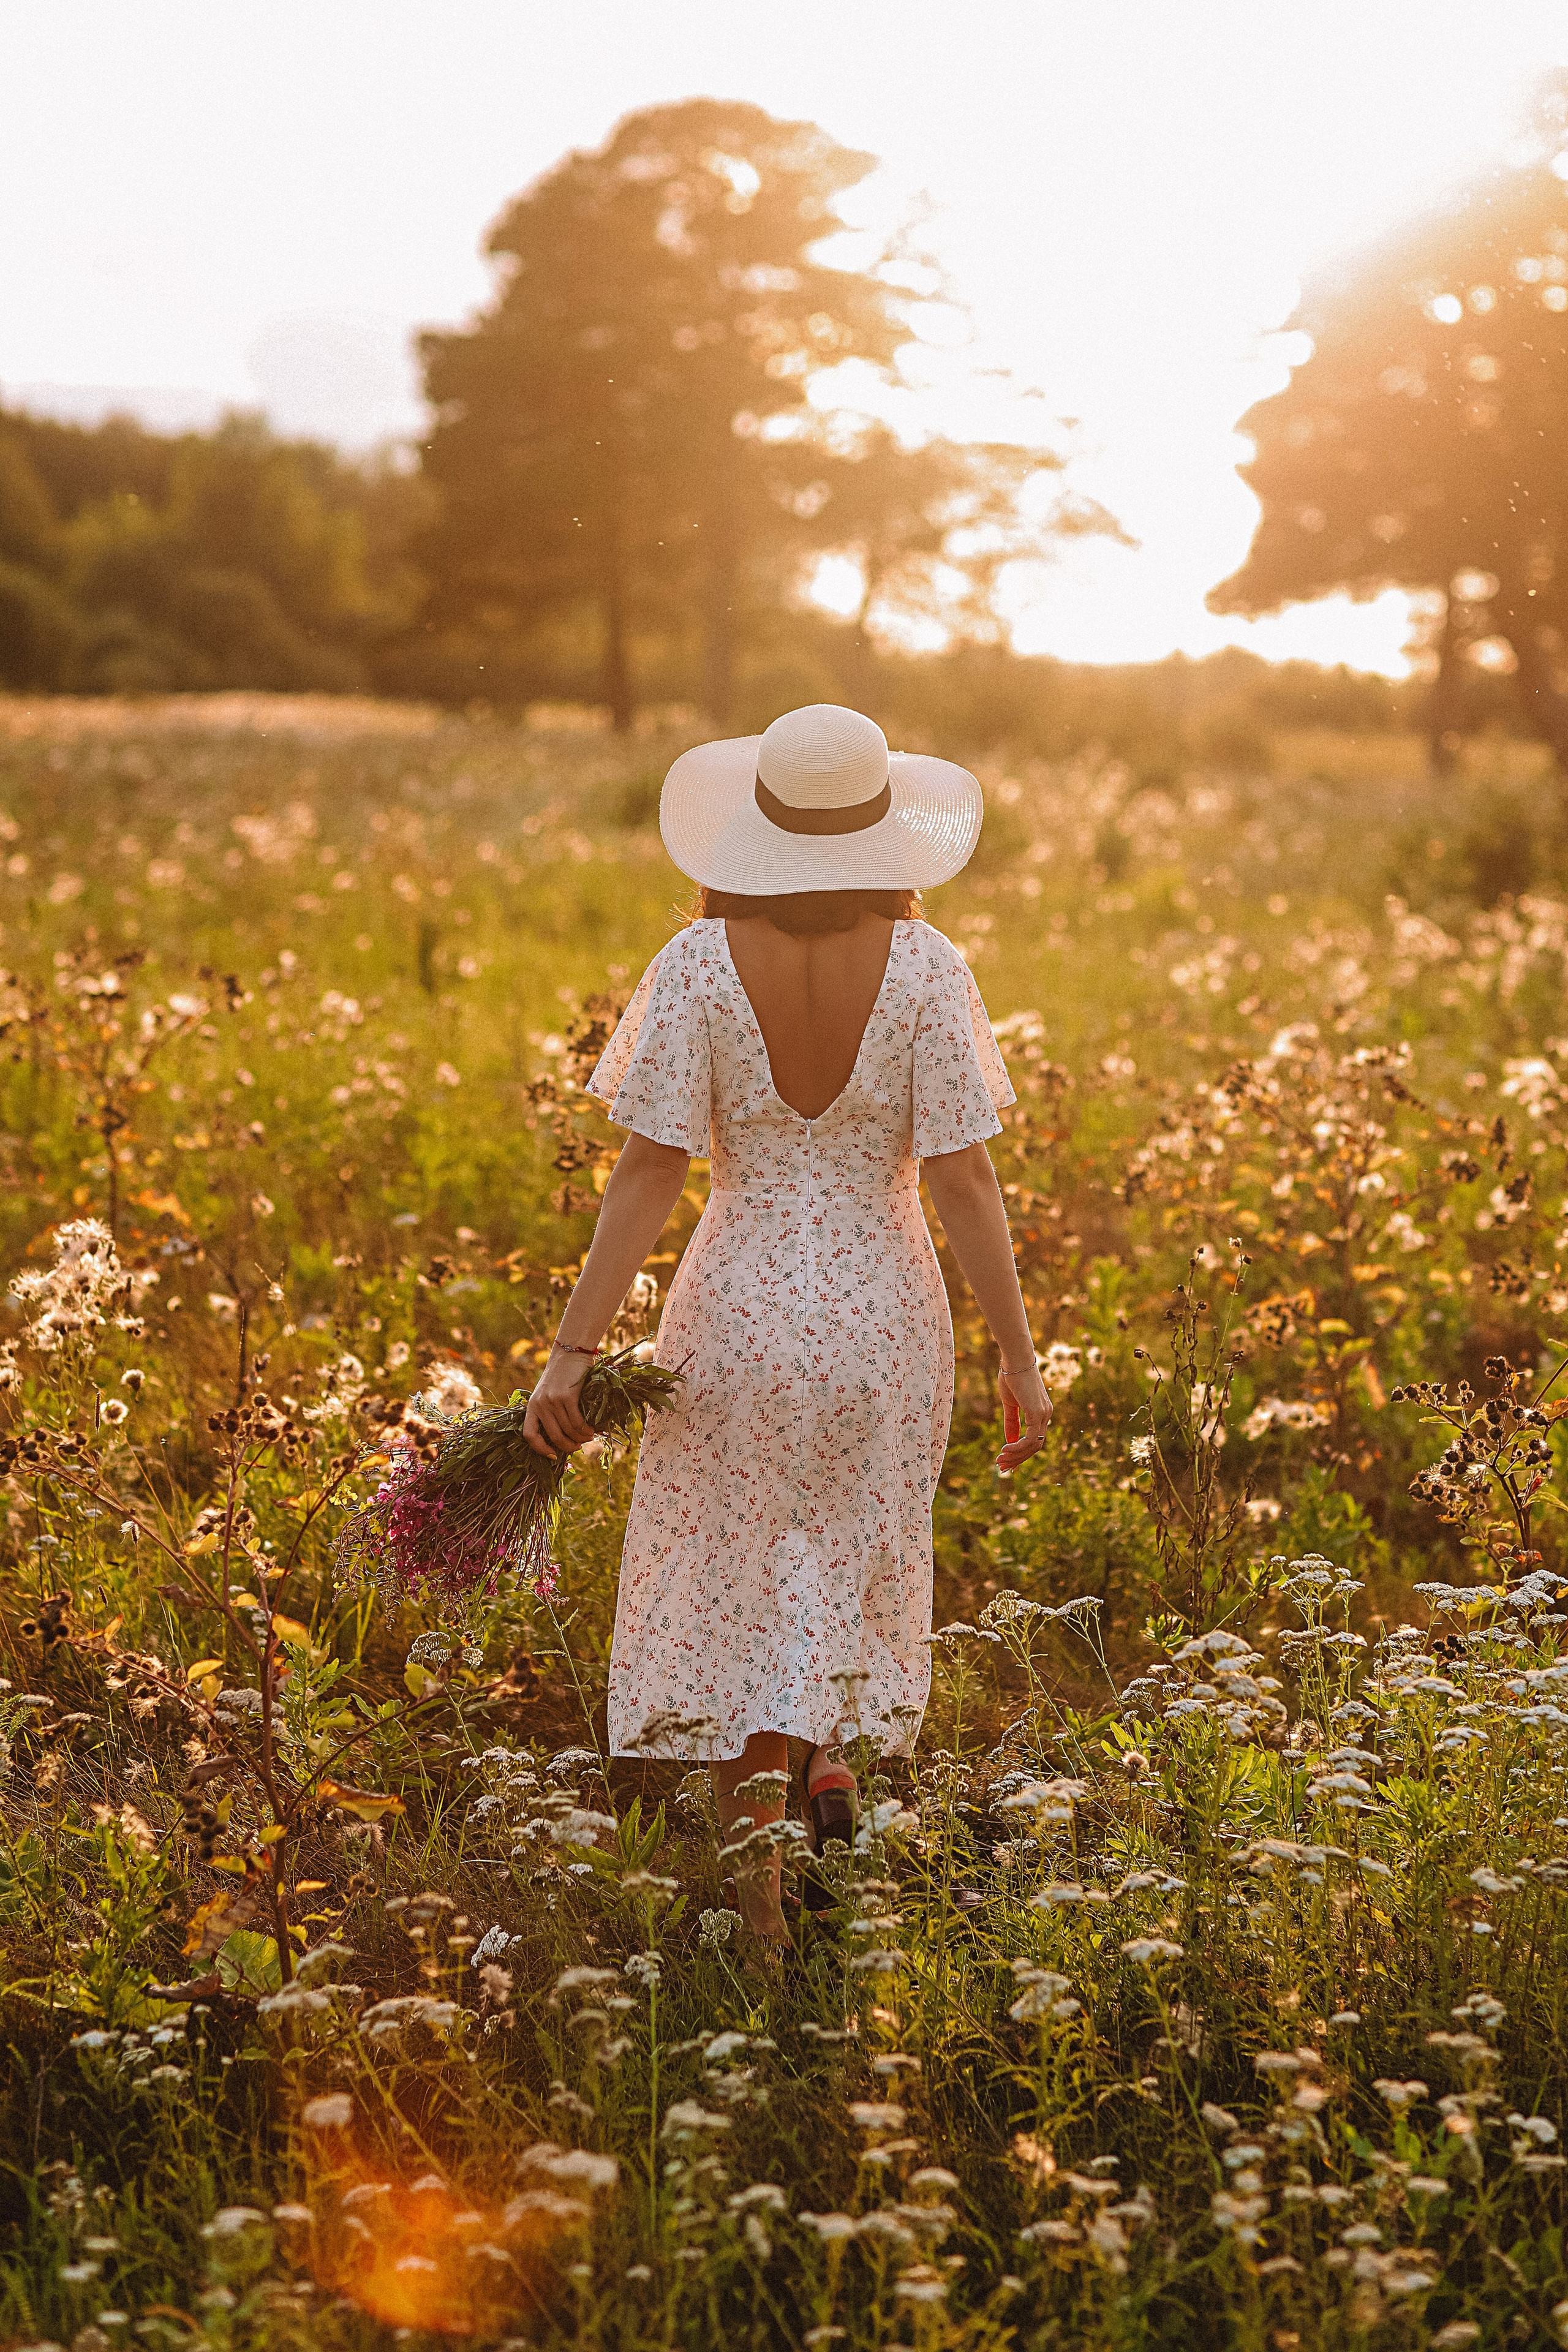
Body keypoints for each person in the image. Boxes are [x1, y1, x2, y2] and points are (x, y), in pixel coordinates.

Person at [523, 703, 1050, 1943]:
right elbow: (962, 1181)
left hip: (737, 1306)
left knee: (738, 1580)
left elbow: (650, 1173)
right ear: (881, 834)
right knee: (834, 1551)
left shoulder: (696, 967)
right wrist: (1019, 1356)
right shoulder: (930, 969)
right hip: (881, 1310)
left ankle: (758, 1902)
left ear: (753, 831)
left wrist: (571, 1354)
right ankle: (815, 1765)